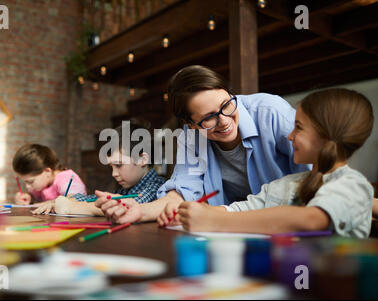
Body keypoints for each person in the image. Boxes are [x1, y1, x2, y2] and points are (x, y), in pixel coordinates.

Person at [95, 65, 310, 224]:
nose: (224, 120)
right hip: (235, 227)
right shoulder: (191, 137)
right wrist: (139, 211)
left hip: (291, 223)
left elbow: (316, 175)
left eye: (226, 105)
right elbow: (181, 192)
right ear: (191, 124)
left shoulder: (271, 113)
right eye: (209, 118)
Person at [161, 88, 374, 238]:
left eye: (298, 127)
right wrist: (188, 214)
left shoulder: (352, 185)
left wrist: (214, 221)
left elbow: (310, 220)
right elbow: (240, 209)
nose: (289, 136)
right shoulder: (286, 184)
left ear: (325, 135)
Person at [32, 123, 165, 215]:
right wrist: (66, 200)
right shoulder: (128, 187)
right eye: (111, 167)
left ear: (142, 159)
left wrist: (71, 207)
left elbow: (130, 206)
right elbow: (94, 199)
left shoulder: (157, 187)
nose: (114, 174)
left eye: (118, 165)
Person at [12, 143, 86, 207]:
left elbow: (75, 199)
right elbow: (35, 196)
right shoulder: (43, 183)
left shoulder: (65, 178)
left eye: (31, 182)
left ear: (47, 171)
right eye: (25, 182)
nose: (27, 186)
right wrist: (29, 198)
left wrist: (38, 205)